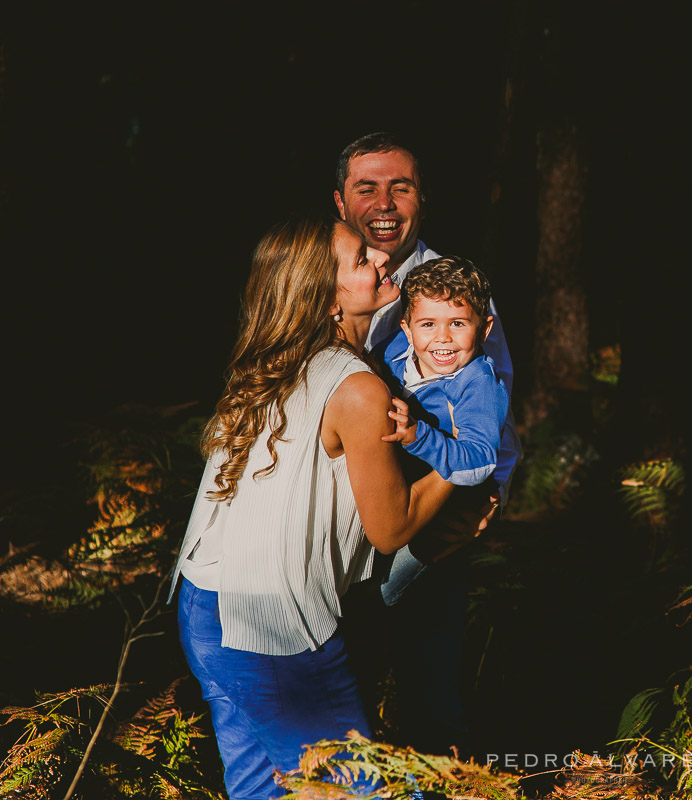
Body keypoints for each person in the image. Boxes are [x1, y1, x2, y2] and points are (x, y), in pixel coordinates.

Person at [172, 217, 456, 800]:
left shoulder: (272, 362)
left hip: (204, 605)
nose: (380, 260)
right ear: (326, 298)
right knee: (366, 792)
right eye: (360, 259)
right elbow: (390, 527)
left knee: (264, 788)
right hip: (269, 629)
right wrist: (464, 459)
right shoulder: (357, 389)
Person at [334, 132, 520, 753]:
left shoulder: (457, 292)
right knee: (339, 676)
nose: (385, 203)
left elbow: (493, 409)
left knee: (429, 681)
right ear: (341, 202)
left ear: (422, 199)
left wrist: (485, 503)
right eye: (368, 188)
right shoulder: (324, 277)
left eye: (401, 187)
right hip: (333, 516)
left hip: (432, 507)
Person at [376, 257, 509, 602]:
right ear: (407, 328)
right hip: (394, 497)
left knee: (388, 599)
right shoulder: (393, 353)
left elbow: (480, 459)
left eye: (458, 323)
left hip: (439, 522)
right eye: (429, 324)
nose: (443, 338)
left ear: (484, 329)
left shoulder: (476, 384)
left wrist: (419, 435)